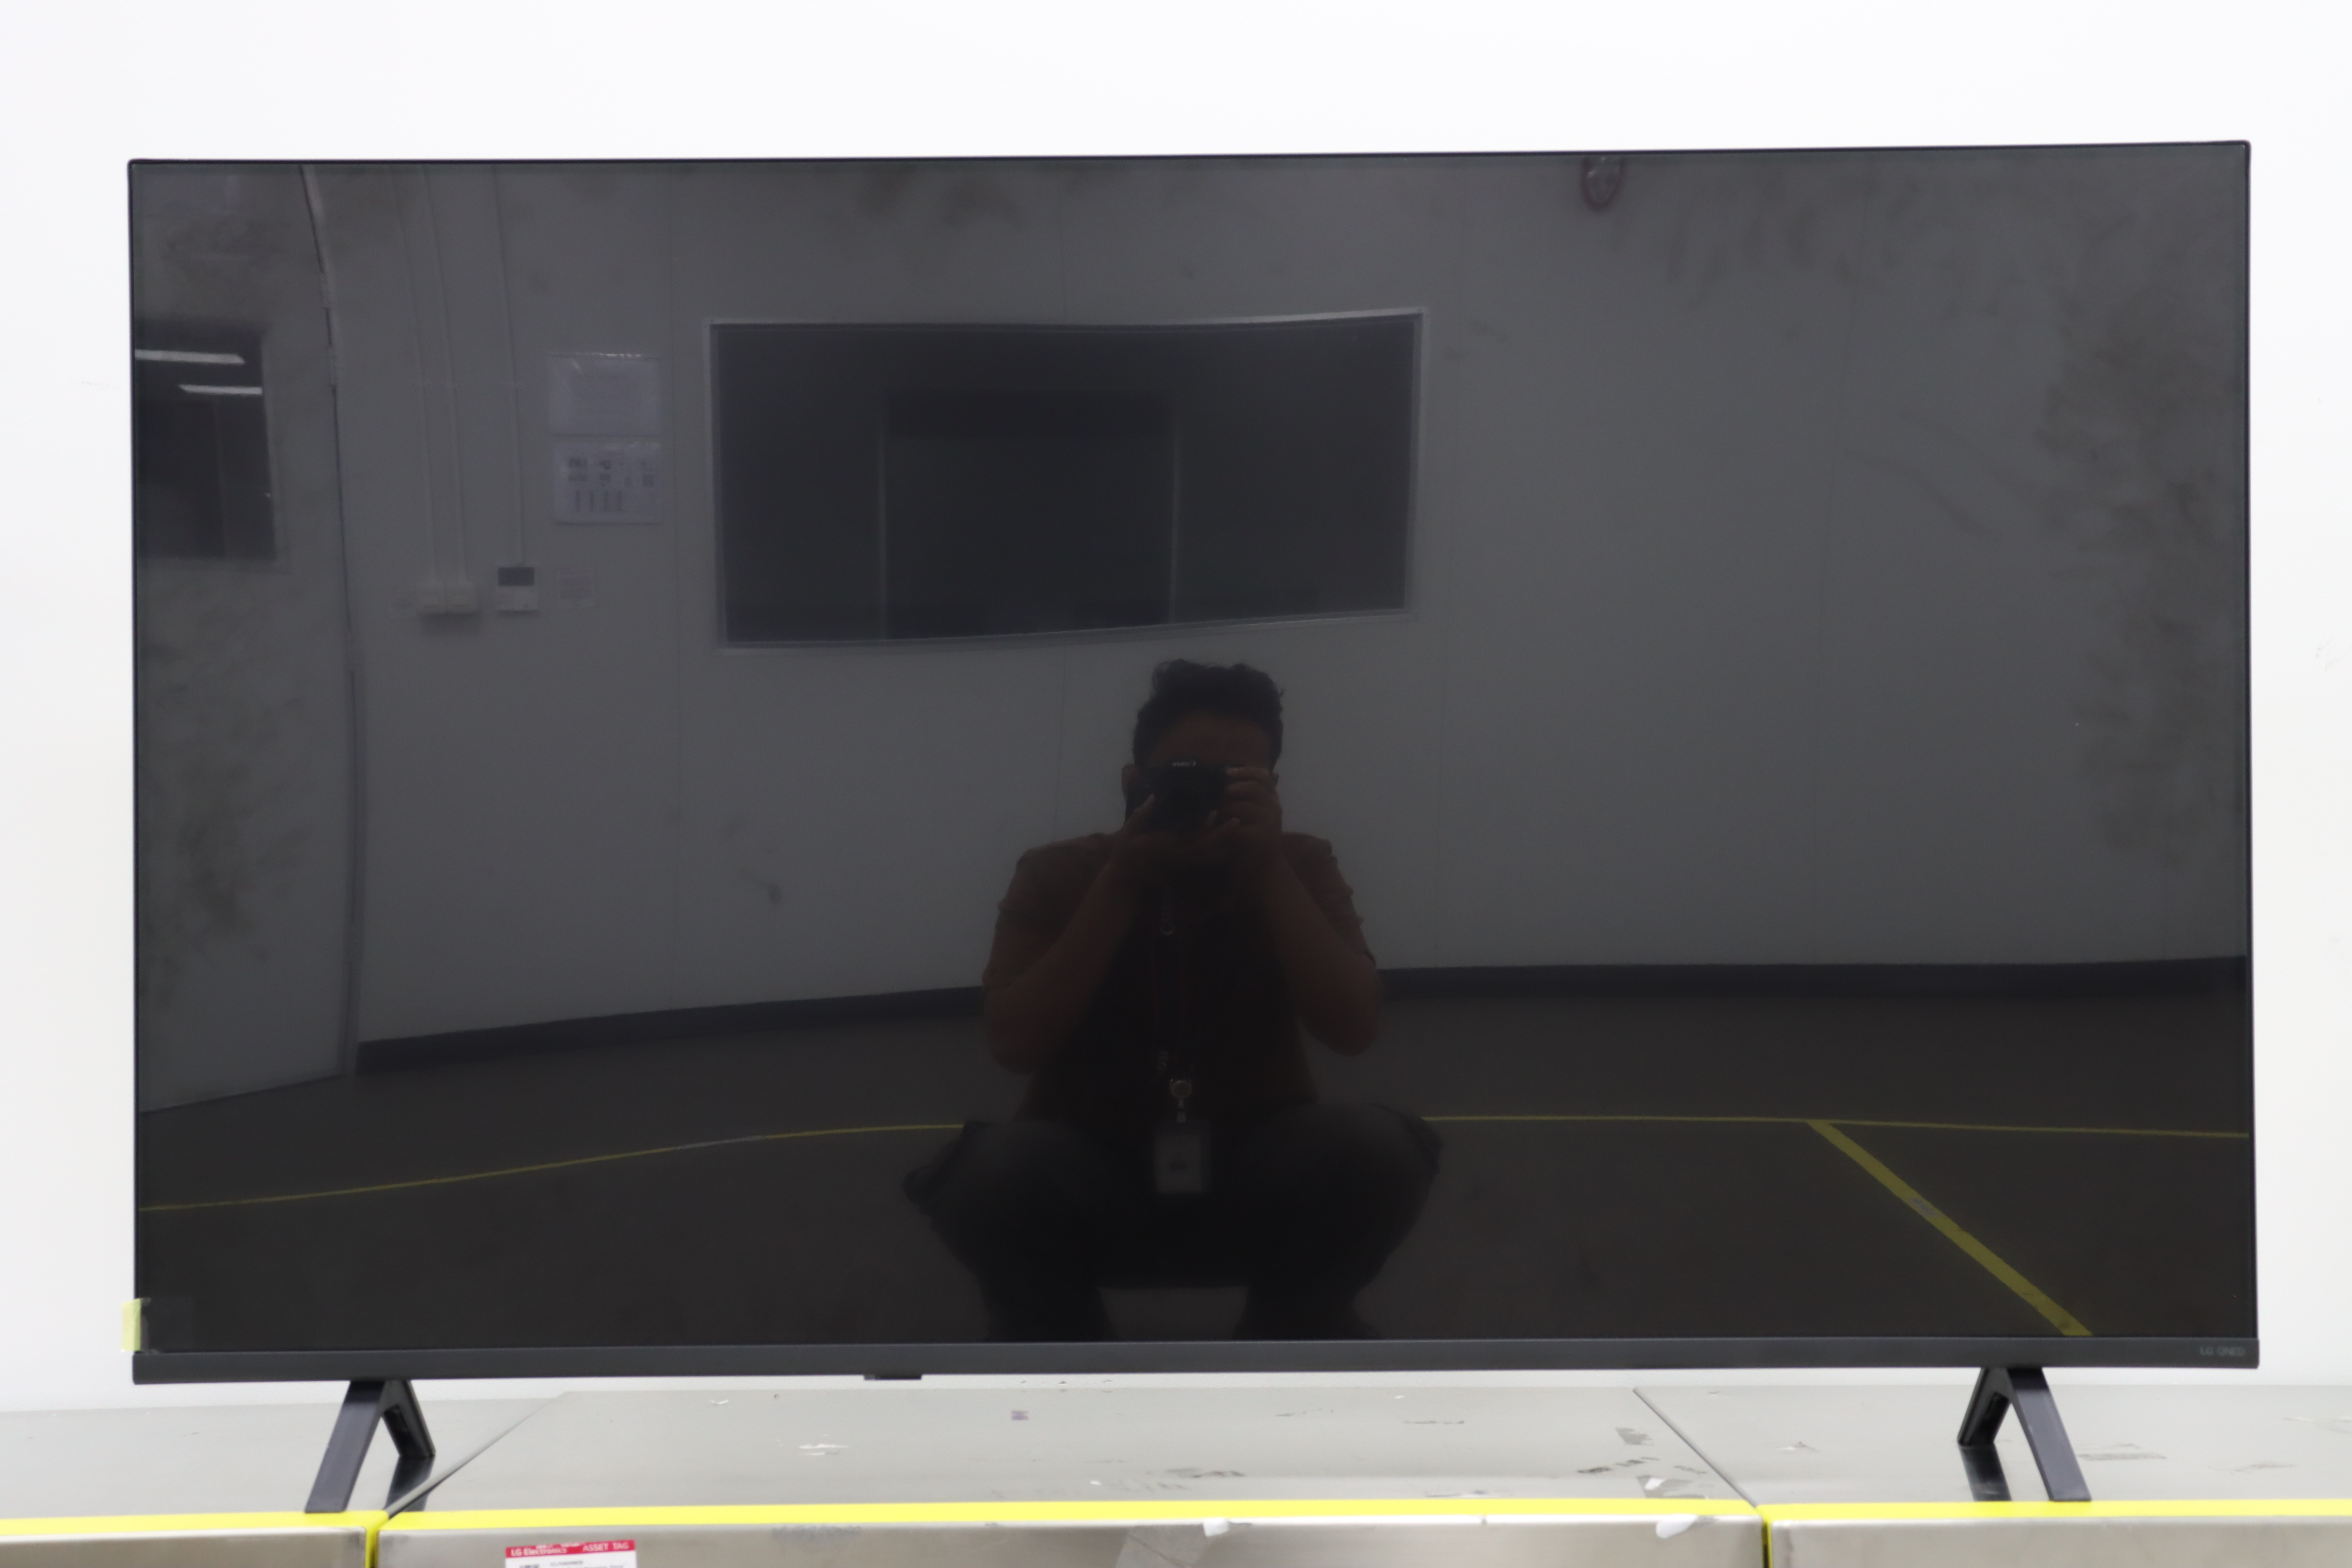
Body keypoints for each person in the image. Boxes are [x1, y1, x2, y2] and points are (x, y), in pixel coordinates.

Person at [908, 660, 1437, 1340]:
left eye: (1235, 780)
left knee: (1378, 1150)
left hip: (1253, 1164)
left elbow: (1354, 1027)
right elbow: (1015, 1042)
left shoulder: (1300, 864)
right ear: (1133, 783)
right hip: (1091, 1165)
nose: (1206, 796)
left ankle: (1295, 1330)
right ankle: (1055, 1350)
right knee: (992, 1174)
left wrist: (1270, 869)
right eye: (1186, 776)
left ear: (1271, 789)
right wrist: (1121, 882)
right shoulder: (1060, 873)